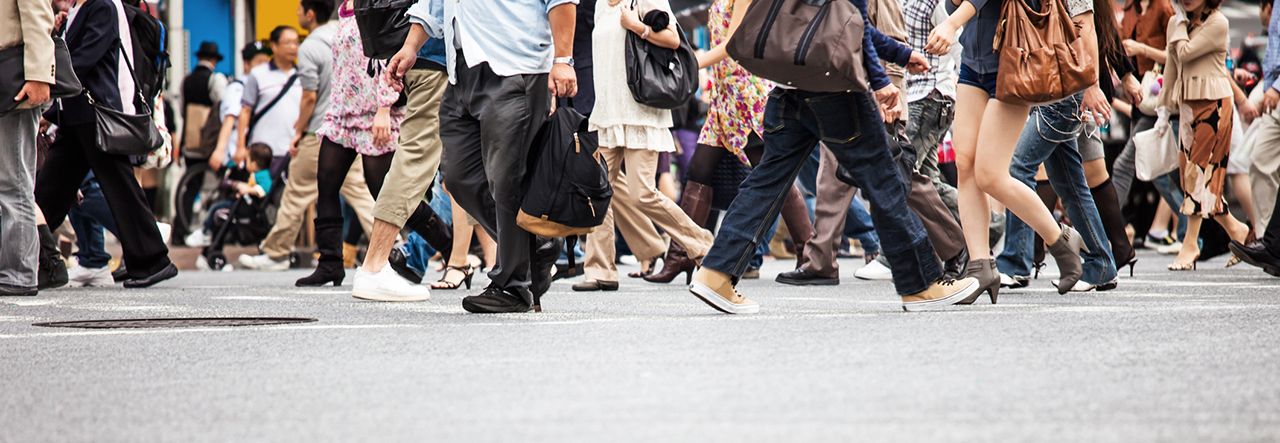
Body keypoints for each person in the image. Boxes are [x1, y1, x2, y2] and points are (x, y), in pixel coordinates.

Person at [687, 0, 982, 314]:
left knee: (766, 181)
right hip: (834, 87)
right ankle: (922, 285)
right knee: (884, 181)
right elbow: (854, 22)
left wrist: (900, 54)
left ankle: (716, 272)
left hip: (788, 81)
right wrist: (882, 83)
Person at [926, 0, 1091, 296]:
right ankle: (980, 267)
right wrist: (952, 16)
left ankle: (1061, 240)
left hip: (1015, 61)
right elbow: (956, 8)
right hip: (973, 64)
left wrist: (951, 25)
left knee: (990, 174)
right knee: (965, 165)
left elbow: (961, 14)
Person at [645, 0, 815, 284]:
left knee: (773, 172)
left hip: (746, 93)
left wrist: (690, 63)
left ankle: (809, 255)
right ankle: (681, 255)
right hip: (725, 94)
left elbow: (733, 44)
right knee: (698, 172)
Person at [428, 0, 579, 313]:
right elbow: (434, 6)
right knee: (457, 176)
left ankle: (512, 286)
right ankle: (537, 245)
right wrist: (410, 45)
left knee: (507, 180)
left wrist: (563, 59)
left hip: (515, 65)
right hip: (462, 69)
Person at [295, 0, 453, 288]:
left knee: (387, 190)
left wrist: (384, 108)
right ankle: (330, 261)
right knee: (327, 183)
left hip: (376, 110)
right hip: (343, 110)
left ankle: (450, 247)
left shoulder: (382, 4)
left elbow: (387, 55)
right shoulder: (344, 9)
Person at [570, 0, 714, 292]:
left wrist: (638, 27)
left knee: (642, 193)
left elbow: (673, 39)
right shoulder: (600, 5)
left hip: (640, 110)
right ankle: (600, 270)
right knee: (595, 191)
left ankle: (703, 245)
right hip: (607, 112)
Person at [34, 0, 178, 289]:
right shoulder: (78, 10)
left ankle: (153, 260)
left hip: (95, 115)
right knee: (51, 190)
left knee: (119, 187)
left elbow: (86, 58)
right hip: (76, 117)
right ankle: (35, 260)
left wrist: (48, 91)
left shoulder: (101, 6)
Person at [996, 0, 1130, 293]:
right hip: (1052, 89)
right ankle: (1101, 263)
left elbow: (1087, 30)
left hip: (1064, 93)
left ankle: (1015, 262)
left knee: (1018, 169)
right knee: (1070, 186)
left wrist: (1092, 87)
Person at [237, 1, 382, 271]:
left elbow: (309, 96)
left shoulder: (311, 47)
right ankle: (392, 244)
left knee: (296, 193)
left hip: (320, 130)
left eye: (300, 11)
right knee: (361, 193)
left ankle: (276, 251)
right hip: (351, 128)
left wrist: (298, 131)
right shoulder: (349, 32)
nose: (297, 15)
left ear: (310, 14)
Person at [350, 0, 462, 300]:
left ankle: (523, 258)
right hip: (437, 58)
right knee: (416, 159)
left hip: (435, 56)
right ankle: (374, 266)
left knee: (468, 166)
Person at [1161, 0, 1252, 270]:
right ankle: (1237, 230)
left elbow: (1185, 53)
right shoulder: (1178, 23)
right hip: (1187, 104)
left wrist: (1176, 23)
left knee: (1198, 174)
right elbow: (1172, 65)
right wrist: (1164, 108)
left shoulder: (1217, 22)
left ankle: (1190, 245)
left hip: (1214, 105)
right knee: (1191, 177)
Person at [0, 0, 55, 296]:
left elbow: (37, 14)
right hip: (9, 75)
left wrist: (39, 75)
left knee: (14, 180)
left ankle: (18, 272)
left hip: (13, 77)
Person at [236, 26, 302, 175]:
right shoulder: (258, 74)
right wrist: (240, 147)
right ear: (274, 46)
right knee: (261, 194)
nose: (293, 47)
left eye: (296, 43)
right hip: (262, 152)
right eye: (288, 43)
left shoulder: (303, 74)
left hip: (293, 150)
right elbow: (245, 111)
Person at [1248, 0, 1280, 234]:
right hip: (1273, 94)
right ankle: (1268, 239)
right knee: (1260, 161)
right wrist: (1266, 88)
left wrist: (1276, 87)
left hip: (1276, 90)